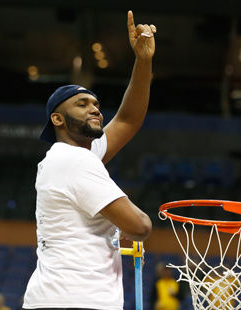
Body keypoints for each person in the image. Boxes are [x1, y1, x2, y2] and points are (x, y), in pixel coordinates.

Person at [22, 10, 155, 310]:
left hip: (59, 299)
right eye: (82, 105)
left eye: (96, 104)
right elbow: (140, 226)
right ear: (57, 118)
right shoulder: (75, 162)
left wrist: (143, 61)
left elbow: (129, 119)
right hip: (77, 300)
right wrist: (130, 226)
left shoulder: (72, 156)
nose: (95, 109)